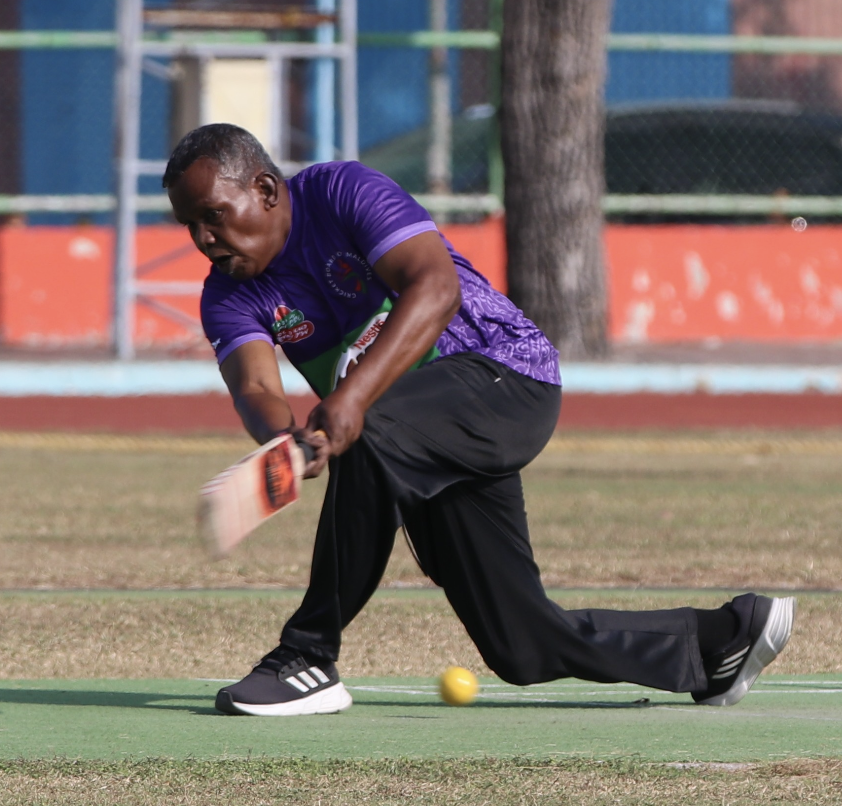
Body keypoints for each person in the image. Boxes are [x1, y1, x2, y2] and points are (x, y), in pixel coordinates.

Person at [163, 123, 795, 717]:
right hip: (414, 440)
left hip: (503, 378)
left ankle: (307, 654)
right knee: (520, 644)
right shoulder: (227, 293)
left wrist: (350, 401)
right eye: (190, 225)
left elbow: (434, 288)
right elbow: (255, 386)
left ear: (265, 189)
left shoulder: (340, 191)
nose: (203, 239)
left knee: (372, 432)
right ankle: (719, 642)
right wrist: (287, 443)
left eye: (213, 215)